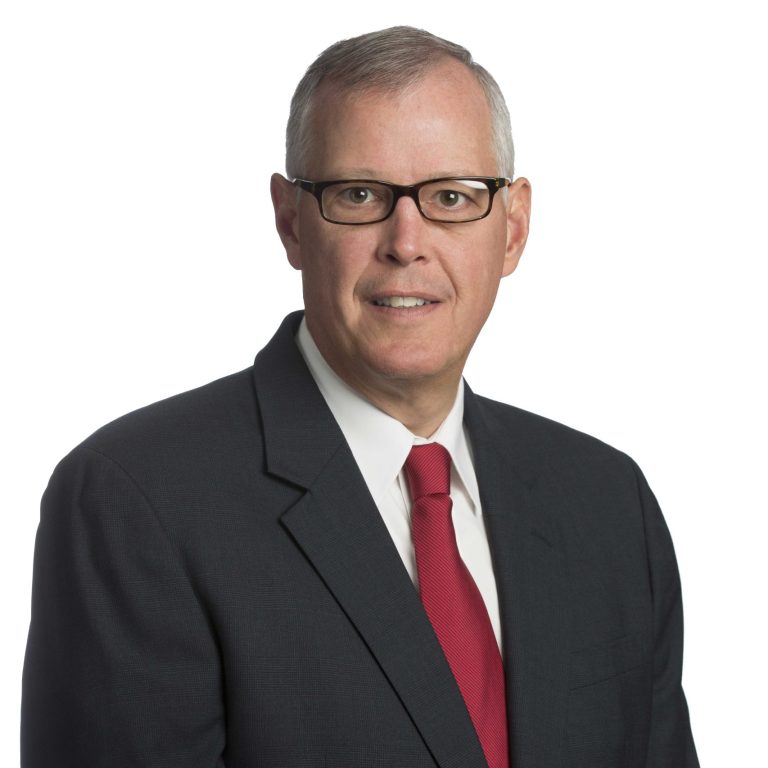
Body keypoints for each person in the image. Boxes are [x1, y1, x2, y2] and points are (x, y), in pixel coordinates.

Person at [21, 25, 699, 768]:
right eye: (359, 195)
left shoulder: (607, 503)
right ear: (291, 222)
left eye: (451, 195)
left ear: (513, 229)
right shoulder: (137, 502)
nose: (406, 241)